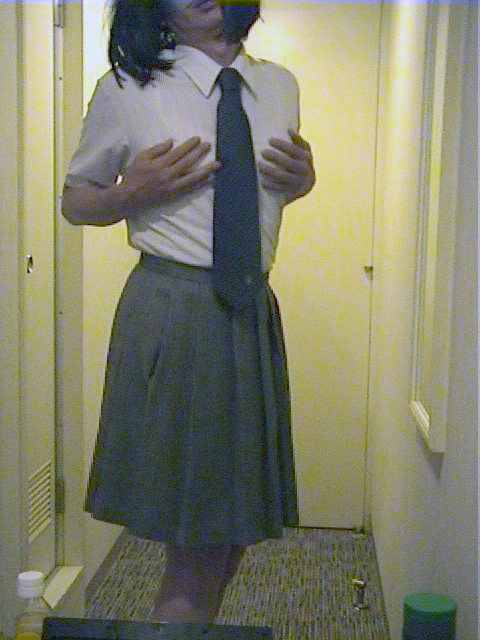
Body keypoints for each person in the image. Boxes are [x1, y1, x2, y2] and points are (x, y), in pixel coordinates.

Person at [62, 0, 315, 624]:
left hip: (251, 309)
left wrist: (303, 182)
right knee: (201, 538)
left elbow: (262, 191)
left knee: (230, 532)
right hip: (174, 311)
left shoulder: (279, 85)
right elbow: (75, 201)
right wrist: (132, 193)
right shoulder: (126, 89)